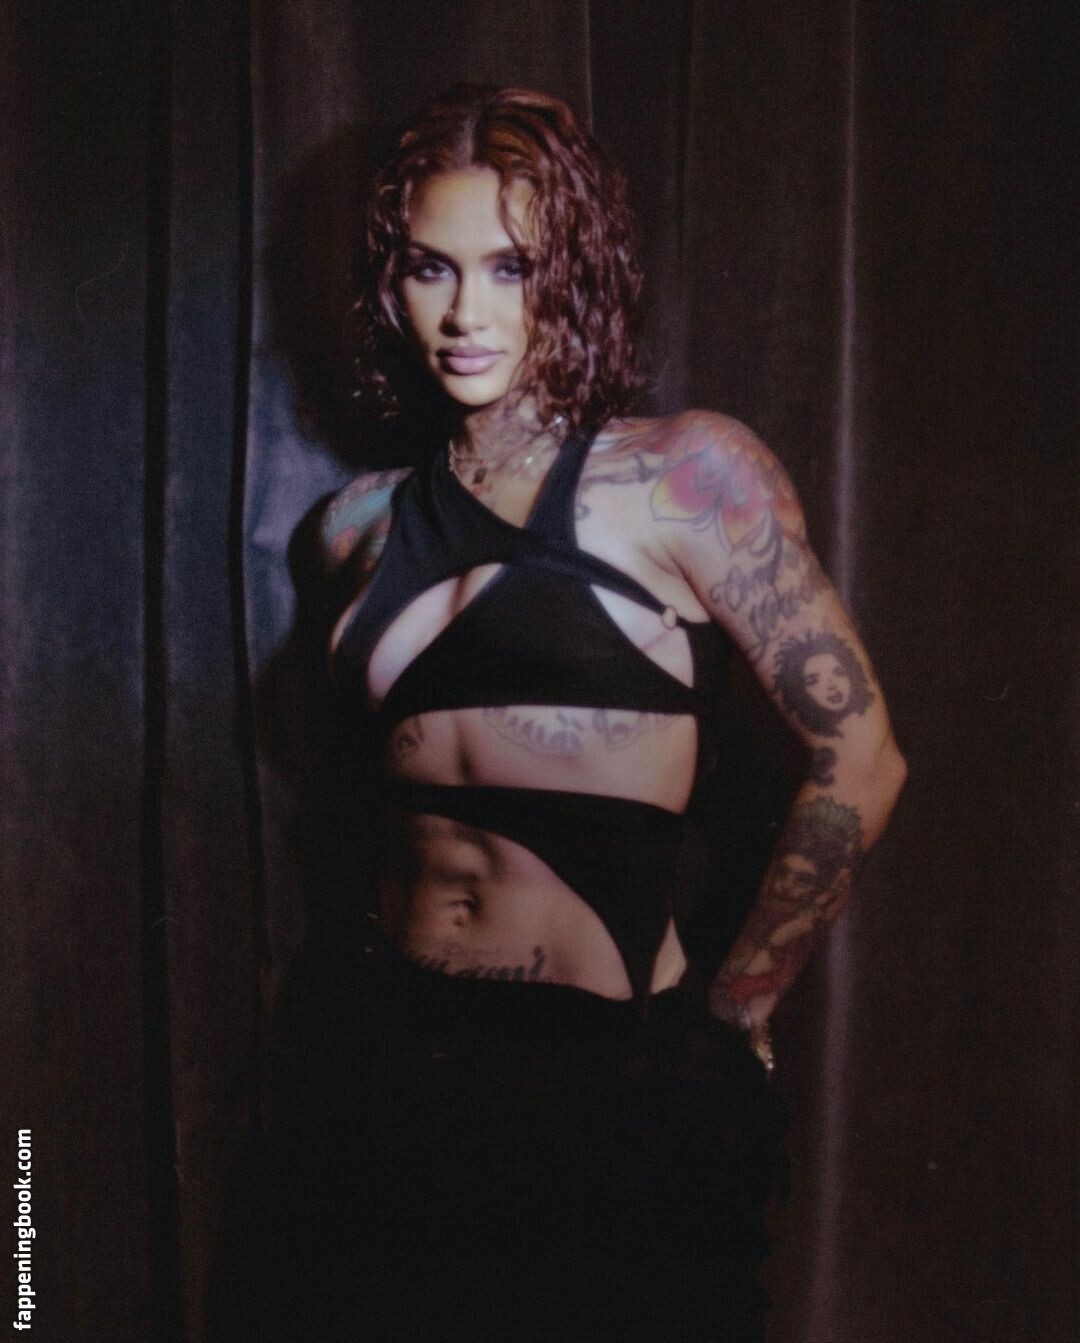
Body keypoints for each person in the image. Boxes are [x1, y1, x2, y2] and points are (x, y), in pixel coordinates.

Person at [307, 83, 906, 1342]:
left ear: (574, 272)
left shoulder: (685, 476)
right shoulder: (355, 525)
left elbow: (861, 756)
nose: (465, 312)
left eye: (511, 268)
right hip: (394, 1062)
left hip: (601, 1079)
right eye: (430, 266)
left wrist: (739, 1008)